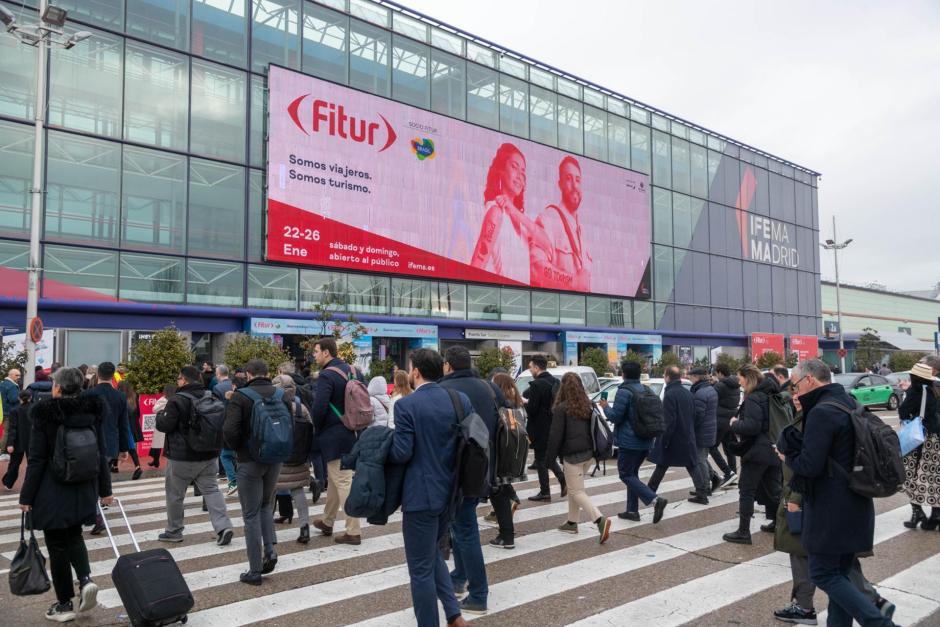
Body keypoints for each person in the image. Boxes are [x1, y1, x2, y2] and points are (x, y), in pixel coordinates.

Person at [780, 359, 897, 627]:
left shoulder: (822, 411)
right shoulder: (848, 402)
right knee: (840, 575)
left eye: (796, 386)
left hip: (831, 509)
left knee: (822, 573)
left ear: (810, 380)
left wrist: (787, 455)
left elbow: (810, 465)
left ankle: (878, 623)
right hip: (856, 502)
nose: (795, 393)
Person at [18, 368, 112, 622]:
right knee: (75, 536)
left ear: (58, 388)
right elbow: (101, 453)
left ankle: (63, 604)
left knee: (57, 544)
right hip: (84, 486)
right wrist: (105, 491)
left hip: (52, 488)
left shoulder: (45, 415)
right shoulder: (93, 412)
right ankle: (85, 579)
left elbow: (36, 460)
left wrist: (26, 497)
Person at [388, 348, 471, 627]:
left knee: (420, 570)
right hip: (452, 492)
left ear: (416, 372)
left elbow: (402, 453)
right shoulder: (460, 400)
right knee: (432, 554)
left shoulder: (406, 406)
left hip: (420, 495)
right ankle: (453, 613)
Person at [439, 346, 502, 614]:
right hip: (485, 468)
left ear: (448, 365)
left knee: (465, 530)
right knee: (461, 525)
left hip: (457, 472)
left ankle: (479, 593)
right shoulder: (489, 388)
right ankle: (459, 576)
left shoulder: (444, 390)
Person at [224, 359, 288, 585]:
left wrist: (240, 448)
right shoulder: (281, 395)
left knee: (250, 514)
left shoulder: (241, 396)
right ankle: (270, 550)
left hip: (250, 460)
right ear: (267, 373)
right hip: (276, 458)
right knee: (265, 506)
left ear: (248, 374)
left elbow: (229, 431)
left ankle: (254, 569)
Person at [156, 365, 234, 546]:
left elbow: (164, 425)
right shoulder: (211, 396)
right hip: (209, 454)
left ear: (183, 379)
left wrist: (161, 414)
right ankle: (223, 527)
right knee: (212, 490)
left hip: (182, 457)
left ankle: (174, 531)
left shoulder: (177, 400)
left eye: (178, 378)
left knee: (175, 494)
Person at [469, 143, 551, 285]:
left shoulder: (521, 222)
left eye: (523, 172)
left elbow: (547, 244)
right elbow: (477, 266)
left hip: (522, 299)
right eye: (514, 167)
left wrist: (513, 210)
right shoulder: (496, 212)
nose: (520, 176)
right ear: (501, 170)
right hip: (503, 300)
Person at [546, 372, 611, 543]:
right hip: (589, 454)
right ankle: (572, 522)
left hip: (572, 456)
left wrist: (549, 459)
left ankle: (599, 519)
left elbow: (555, 436)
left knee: (576, 491)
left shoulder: (562, 408)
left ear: (563, 388)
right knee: (575, 488)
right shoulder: (588, 405)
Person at [600, 360, 668, 523]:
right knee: (632, 474)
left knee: (625, 474)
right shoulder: (645, 389)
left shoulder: (624, 391)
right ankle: (632, 511)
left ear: (623, 374)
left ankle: (654, 500)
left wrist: (605, 407)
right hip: (645, 440)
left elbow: (615, 416)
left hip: (629, 442)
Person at [309, 337, 361, 545]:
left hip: (333, 433)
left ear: (326, 353)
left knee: (342, 480)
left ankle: (353, 530)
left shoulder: (327, 375)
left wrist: (317, 428)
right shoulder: (354, 371)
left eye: (316, 351)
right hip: (353, 430)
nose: (314, 355)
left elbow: (319, 407)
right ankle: (327, 521)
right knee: (336, 477)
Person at [722, 364, 782, 544]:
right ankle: (781, 524)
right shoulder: (771, 394)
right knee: (773, 490)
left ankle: (743, 531)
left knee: (746, 490)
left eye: (740, 378)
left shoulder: (755, 398)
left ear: (748, 378)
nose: (739, 382)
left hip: (757, 451)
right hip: (773, 448)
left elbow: (752, 426)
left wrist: (734, 423)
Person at [530, 156, 592, 292]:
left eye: (578, 180)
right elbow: (535, 268)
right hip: (557, 308)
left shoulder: (583, 233)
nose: (575, 186)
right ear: (560, 184)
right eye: (569, 179)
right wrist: (574, 282)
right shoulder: (548, 219)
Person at [271, 374, 314, 544]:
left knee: (269, 495)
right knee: (298, 491)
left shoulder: (271, 408)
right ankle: (304, 527)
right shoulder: (300, 408)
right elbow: (311, 430)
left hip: (277, 459)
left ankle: (270, 535)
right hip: (298, 457)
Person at [898, 361, 940, 530]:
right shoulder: (934, 390)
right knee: (933, 477)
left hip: (919, 439)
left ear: (914, 377)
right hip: (935, 440)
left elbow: (902, 411)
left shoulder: (914, 391)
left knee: (908, 475)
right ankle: (936, 514)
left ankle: (918, 512)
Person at [487, 372, 527, 546]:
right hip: (513, 453)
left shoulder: (500, 406)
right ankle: (507, 533)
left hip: (500, 453)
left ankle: (506, 535)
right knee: (500, 491)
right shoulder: (518, 403)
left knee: (497, 493)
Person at [647, 366, 697, 497]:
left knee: (662, 464)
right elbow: (693, 414)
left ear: (668, 377)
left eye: (664, 375)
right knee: (691, 464)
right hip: (686, 434)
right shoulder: (687, 392)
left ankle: (649, 491)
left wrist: (664, 439)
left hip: (673, 437)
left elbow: (669, 420)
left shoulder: (670, 394)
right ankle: (702, 492)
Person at [523, 355, 566, 502]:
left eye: (530, 367)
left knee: (541, 460)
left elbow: (532, 410)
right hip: (555, 425)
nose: (530, 370)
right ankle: (562, 480)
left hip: (540, 428)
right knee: (548, 457)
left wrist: (525, 403)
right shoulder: (556, 382)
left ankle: (545, 491)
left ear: (536, 367)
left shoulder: (537, 385)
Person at [81, 362, 130, 477]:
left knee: (89, 477)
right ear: (113, 375)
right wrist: (124, 448)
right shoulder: (120, 396)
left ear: (98, 374)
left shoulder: (87, 394)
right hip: (110, 443)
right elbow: (123, 425)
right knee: (104, 476)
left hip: (89, 442)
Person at [688, 367, 720, 504]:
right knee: (702, 458)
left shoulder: (700, 393)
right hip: (709, 429)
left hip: (701, 431)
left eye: (691, 376)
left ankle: (704, 489)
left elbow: (698, 415)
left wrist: (690, 429)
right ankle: (710, 481)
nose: (689, 379)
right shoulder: (710, 389)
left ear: (696, 377)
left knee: (699, 460)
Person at [710, 362, 740, 485]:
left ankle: (728, 472)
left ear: (720, 373)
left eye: (716, 374)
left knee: (712, 447)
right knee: (729, 448)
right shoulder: (736, 384)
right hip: (731, 418)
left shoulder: (720, 386)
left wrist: (713, 385)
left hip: (720, 419)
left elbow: (711, 397)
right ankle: (733, 475)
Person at [213, 365, 238, 496]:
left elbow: (216, 409)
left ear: (218, 374)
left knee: (225, 455)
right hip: (237, 423)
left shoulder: (217, 388)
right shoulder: (235, 385)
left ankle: (233, 481)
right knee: (234, 453)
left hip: (224, 424)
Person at [2, 390, 32, 489]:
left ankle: (8, 483)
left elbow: (12, 428)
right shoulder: (35, 408)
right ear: (30, 397)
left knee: (14, 464)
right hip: (32, 440)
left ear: (19, 398)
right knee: (33, 464)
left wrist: (10, 444)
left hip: (18, 441)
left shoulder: (14, 410)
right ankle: (30, 484)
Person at [116, 380, 144, 481]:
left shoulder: (120, 396)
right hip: (133, 424)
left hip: (123, 424)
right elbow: (138, 412)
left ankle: (115, 465)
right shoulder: (134, 395)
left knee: (119, 444)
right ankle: (137, 467)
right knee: (131, 447)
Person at [148, 384, 176, 469]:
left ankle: (156, 461)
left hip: (161, 423)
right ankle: (157, 461)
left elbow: (154, 409)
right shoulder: (175, 399)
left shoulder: (163, 400)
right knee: (168, 444)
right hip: (171, 423)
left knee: (157, 444)